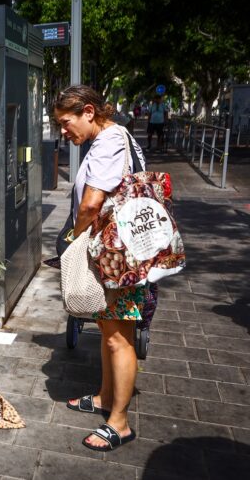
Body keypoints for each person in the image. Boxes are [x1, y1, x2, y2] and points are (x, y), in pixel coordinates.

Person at [54, 85, 157, 452]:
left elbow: (91, 203)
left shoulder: (110, 141)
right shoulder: (110, 139)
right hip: (114, 254)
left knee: (119, 337)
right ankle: (104, 397)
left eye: (66, 123)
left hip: (118, 257)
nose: (63, 132)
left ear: (88, 111)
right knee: (107, 327)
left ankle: (120, 422)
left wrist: (74, 239)